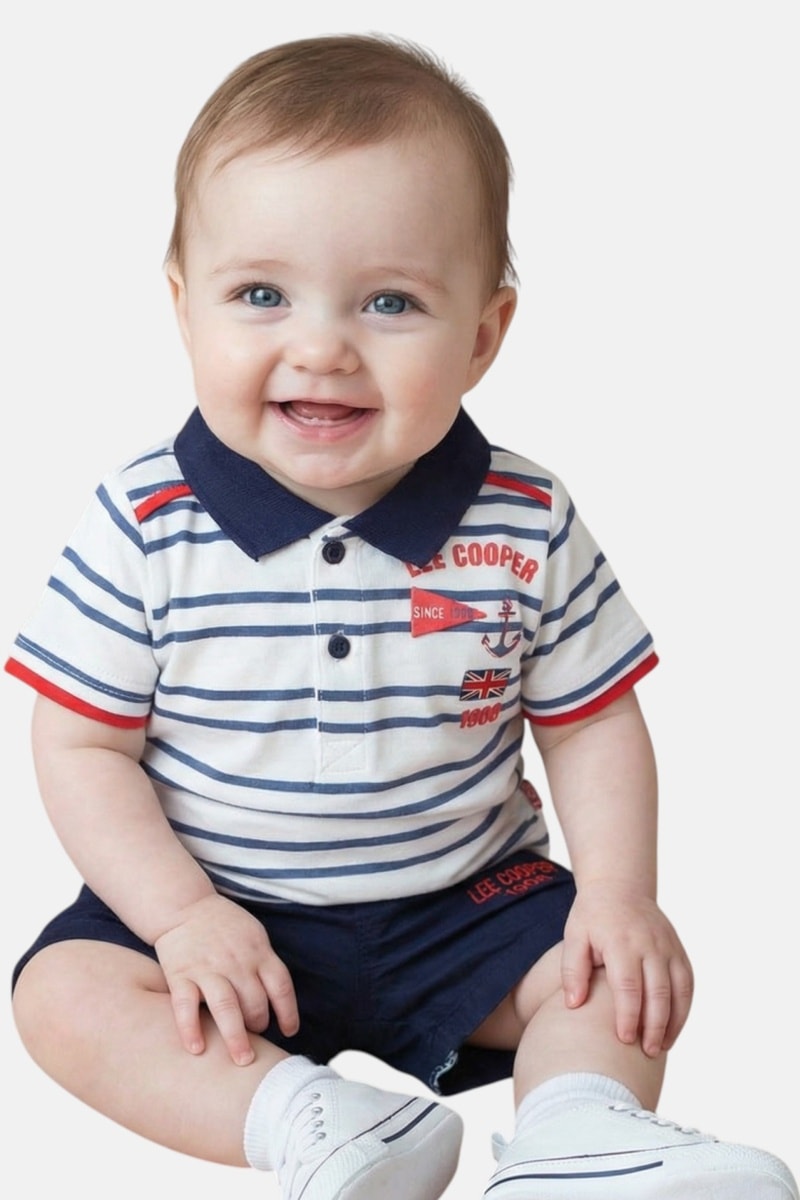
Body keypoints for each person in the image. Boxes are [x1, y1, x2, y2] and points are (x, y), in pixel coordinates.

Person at [6, 33, 797, 1200]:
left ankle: (577, 1132)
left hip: (461, 910)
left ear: (481, 334)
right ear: (183, 307)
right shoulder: (147, 521)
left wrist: (620, 894)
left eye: (389, 302)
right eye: (261, 295)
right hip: (217, 915)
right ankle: (315, 1124)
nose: (320, 347)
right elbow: (81, 745)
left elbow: (588, 721)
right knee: (60, 997)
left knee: (609, 975)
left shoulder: (523, 516)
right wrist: (178, 918)